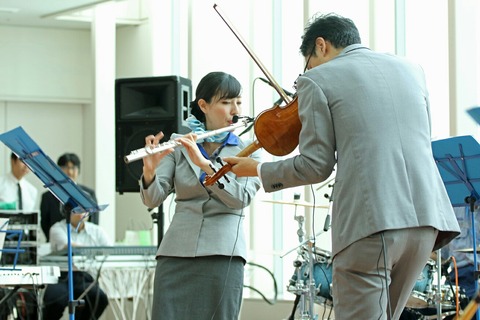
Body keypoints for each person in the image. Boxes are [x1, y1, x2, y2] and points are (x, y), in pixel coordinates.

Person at [222, 13, 461, 319]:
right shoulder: (411, 70)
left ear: (320, 46)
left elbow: (314, 166)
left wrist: (255, 169)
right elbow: (420, 140)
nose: (307, 72)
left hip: (374, 222)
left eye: (308, 62)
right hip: (427, 222)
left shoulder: (317, 80)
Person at [140, 71, 261, 320]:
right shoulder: (178, 144)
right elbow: (152, 199)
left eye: (238, 101)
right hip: (175, 253)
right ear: (204, 105)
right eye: (226, 102)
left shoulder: (251, 149)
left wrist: (205, 165)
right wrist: (149, 171)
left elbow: (240, 198)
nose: (234, 110)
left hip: (223, 252)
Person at [42, 211, 112, 320]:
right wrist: (94, 251)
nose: (80, 213)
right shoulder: (57, 229)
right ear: (68, 212)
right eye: (76, 210)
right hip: (61, 276)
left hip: (85, 276)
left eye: (84, 209)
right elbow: (69, 246)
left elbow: (109, 251)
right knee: (54, 300)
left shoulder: (97, 231)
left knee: (100, 298)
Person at [40, 153, 99, 241]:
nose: (70, 172)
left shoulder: (89, 194)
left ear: (78, 170)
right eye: (65, 168)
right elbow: (45, 223)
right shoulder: (48, 197)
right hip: (58, 244)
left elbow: (94, 221)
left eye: (73, 168)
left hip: (84, 243)